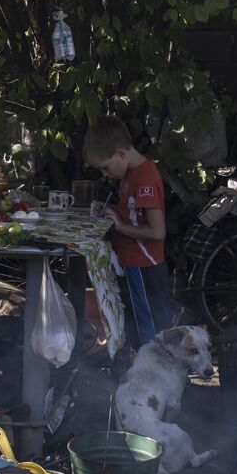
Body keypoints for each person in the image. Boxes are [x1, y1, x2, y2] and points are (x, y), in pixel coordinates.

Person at [83, 115, 172, 347]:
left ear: (120, 154)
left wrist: (120, 227)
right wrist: (111, 210)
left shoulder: (144, 178)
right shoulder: (130, 174)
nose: (105, 174)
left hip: (144, 266)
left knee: (150, 330)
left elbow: (157, 232)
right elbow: (133, 212)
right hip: (132, 265)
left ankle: (156, 378)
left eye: (105, 168)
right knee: (138, 326)